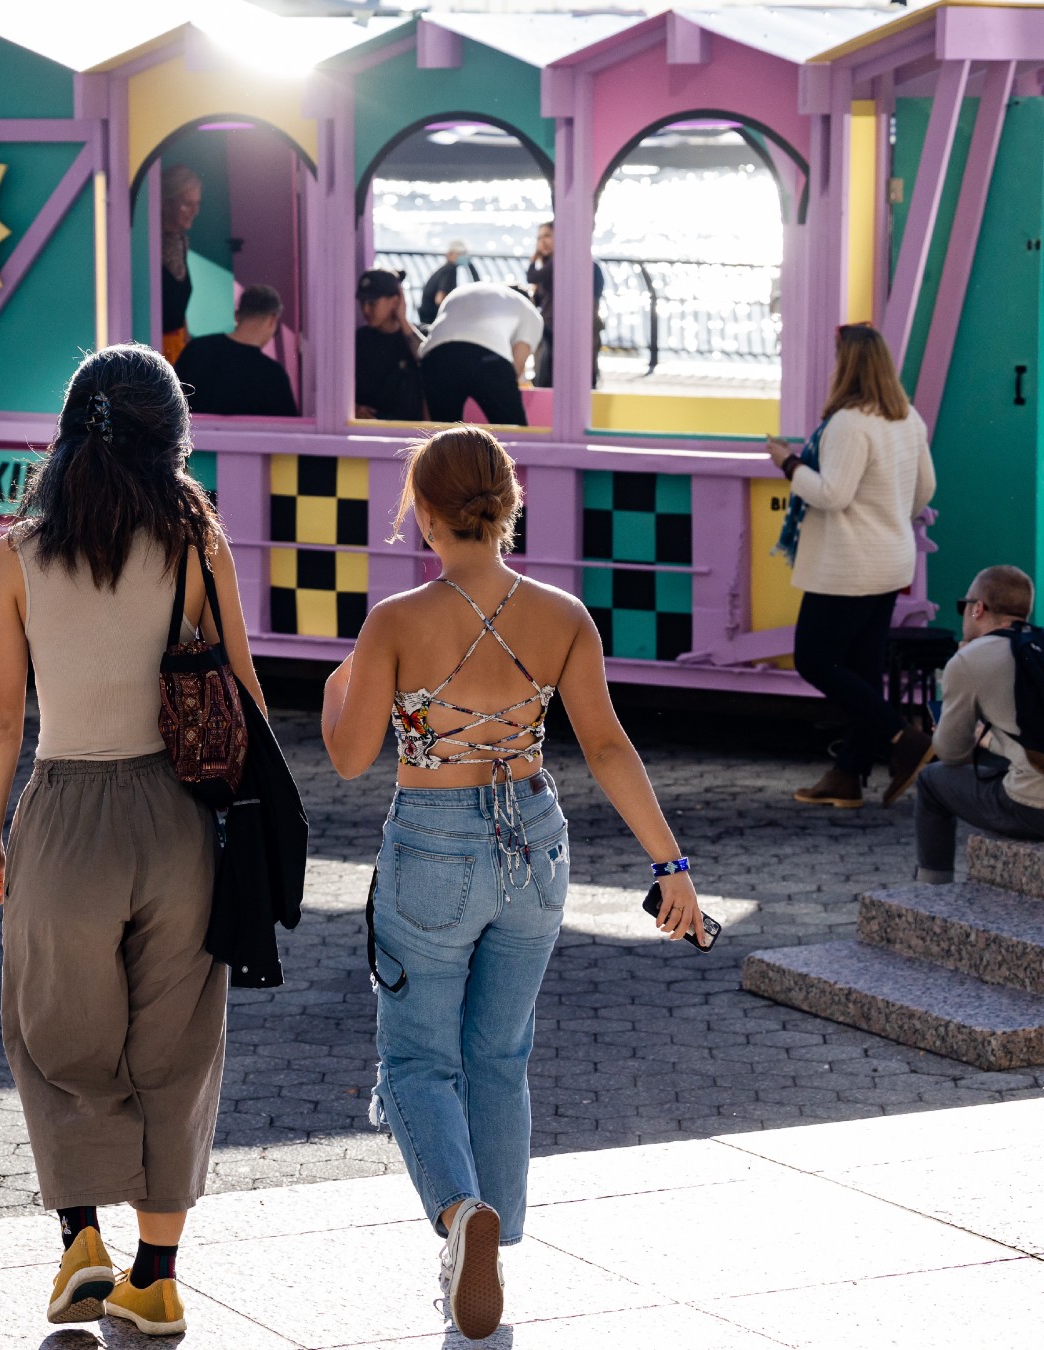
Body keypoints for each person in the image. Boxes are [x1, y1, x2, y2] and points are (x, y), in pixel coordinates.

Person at [319, 425, 706, 1342]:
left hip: (434, 846)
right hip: (538, 842)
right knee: (499, 1055)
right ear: (507, 502)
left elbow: (347, 756)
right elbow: (607, 747)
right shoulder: (564, 615)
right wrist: (671, 865)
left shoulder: (397, 620)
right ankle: (495, 1234)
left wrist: (342, 683)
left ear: (421, 510)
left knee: (418, 1060)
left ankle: (461, 1217)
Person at [0, 343, 259, 1338]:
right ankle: (159, 1277)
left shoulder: (17, 552)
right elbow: (246, 697)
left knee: (53, 1033)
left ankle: (81, 1246)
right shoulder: (196, 538)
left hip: (66, 813)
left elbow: (3, 718)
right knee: (179, 1046)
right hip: (182, 817)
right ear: (170, 436)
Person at [773, 323, 937, 808]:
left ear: (846, 367)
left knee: (815, 659)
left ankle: (904, 738)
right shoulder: (907, 417)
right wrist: (889, 514)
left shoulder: (848, 423)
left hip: (848, 566)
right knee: (862, 671)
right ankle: (849, 775)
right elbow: (924, 490)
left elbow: (832, 494)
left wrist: (787, 463)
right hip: (890, 558)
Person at [915, 566, 1044, 881]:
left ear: (977, 608)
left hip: (1042, 814)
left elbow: (952, 755)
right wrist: (989, 739)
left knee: (931, 781)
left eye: (964, 605)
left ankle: (931, 894)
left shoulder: (969, 659)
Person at [419, 281, 542, 427]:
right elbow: (517, 366)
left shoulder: (467, 290)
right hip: (488, 359)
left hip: (435, 357)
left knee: (444, 436)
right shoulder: (530, 311)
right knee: (514, 431)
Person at [171, 284, 296, 418]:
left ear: (237, 315)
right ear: (272, 320)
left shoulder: (196, 350)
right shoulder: (273, 375)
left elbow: (169, 403)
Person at [525, 223, 602, 390]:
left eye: (547, 236)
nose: (542, 242)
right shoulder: (552, 264)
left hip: (557, 329)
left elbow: (531, 276)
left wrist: (533, 260)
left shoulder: (559, 262)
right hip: (550, 327)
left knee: (548, 375)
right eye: (539, 238)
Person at [355, 269, 426, 422]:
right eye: (362, 302)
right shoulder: (359, 339)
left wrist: (403, 320)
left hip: (408, 431)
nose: (365, 310)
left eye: (372, 303)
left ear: (395, 301)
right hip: (370, 428)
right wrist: (355, 408)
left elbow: (428, 362)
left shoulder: (416, 335)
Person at [158, 164, 201, 361]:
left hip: (177, 349)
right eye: (187, 204)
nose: (194, 211)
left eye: (197, 204)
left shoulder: (181, 243)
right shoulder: (149, 246)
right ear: (166, 203)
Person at [420, 241, 473, 327]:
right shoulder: (450, 270)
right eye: (461, 253)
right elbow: (440, 299)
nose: (464, 256)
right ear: (451, 254)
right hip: (433, 320)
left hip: (426, 318)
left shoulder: (445, 269)